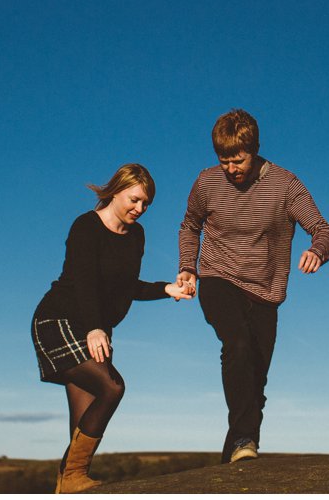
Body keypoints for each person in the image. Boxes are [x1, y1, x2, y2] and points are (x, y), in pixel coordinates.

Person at [177, 109, 329, 464]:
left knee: (256, 383)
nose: (231, 169)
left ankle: (236, 453)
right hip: (218, 278)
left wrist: (317, 250)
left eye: (238, 160)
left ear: (256, 148)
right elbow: (190, 226)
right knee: (237, 343)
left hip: (265, 290)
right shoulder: (206, 182)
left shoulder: (285, 185)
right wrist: (188, 267)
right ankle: (245, 439)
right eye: (224, 161)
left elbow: (323, 230)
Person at [33, 163, 193, 493]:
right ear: (117, 191)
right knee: (112, 387)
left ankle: (68, 485)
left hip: (95, 329)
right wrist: (94, 328)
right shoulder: (86, 227)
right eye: (135, 200)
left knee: (83, 418)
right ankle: (73, 476)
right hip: (58, 321)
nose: (140, 209)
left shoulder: (136, 236)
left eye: (146, 204)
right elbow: (84, 282)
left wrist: (168, 289)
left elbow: (126, 286)